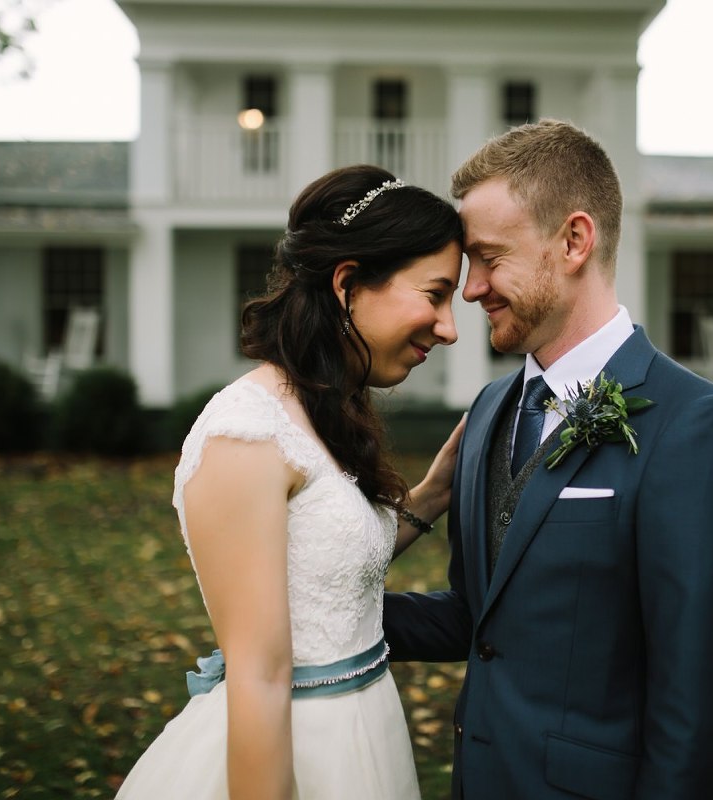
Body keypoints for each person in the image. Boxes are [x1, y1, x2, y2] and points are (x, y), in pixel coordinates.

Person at [383, 120, 713, 799]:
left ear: (574, 240)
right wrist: (323, 609)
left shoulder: (699, 430)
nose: (471, 289)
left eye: (489, 258)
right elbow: (483, 616)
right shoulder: (486, 415)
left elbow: (700, 712)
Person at [116, 164, 466, 800]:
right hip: (294, 756)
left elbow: (326, 575)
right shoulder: (245, 436)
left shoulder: (319, 410)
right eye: (434, 294)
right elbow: (262, 678)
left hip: (365, 736)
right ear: (348, 284)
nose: (449, 327)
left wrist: (436, 491)